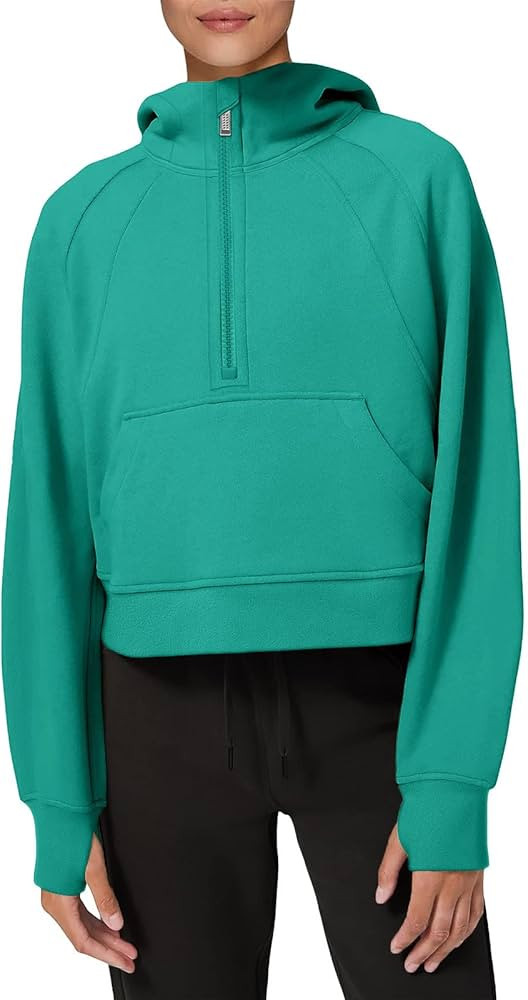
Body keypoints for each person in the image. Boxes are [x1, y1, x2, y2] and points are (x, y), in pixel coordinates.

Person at [1, 1, 523, 997]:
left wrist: (454, 779)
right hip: (152, 716)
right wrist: (58, 800)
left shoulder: (416, 177)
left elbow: (478, 493)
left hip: (381, 706)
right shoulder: (81, 219)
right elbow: (46, 522)